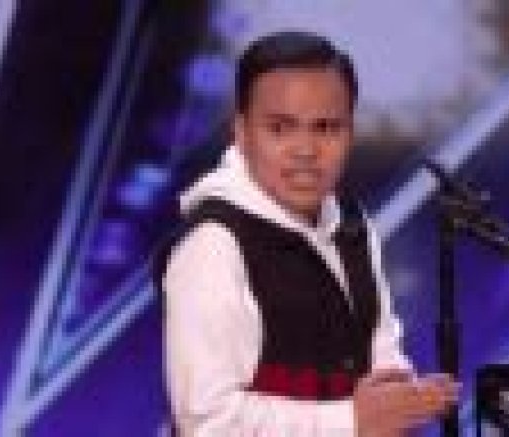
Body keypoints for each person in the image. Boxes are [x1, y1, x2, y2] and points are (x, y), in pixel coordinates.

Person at [161, 31, 459, 436]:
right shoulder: (213, 246)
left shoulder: (352, 224)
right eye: (280, 128)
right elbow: (207, 423)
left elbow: (381, 351)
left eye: (326, 128)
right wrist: (351, 420)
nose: (305, 150)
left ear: (349, 133)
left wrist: (401, 401)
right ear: (242, 133)